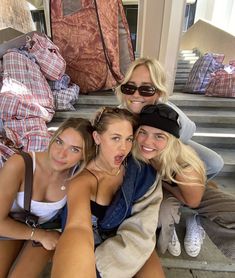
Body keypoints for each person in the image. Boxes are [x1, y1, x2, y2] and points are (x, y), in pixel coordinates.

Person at [115, 57, 224, 256]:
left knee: (214, 162)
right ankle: (174, 207)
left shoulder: (168, 111)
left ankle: (188, 197)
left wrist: (166, 145)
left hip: (171, 147)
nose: (136, 94)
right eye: (130, 87)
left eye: (146, 89)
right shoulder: (120, 117)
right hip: (145, 166)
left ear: (158, 92)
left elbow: (188, 131)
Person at [134, 103, 235, 261]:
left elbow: (193, 202)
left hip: (185, 190)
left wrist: (162, 181)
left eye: (159, 136)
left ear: (171, 140)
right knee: (163, 212)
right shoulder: (138, 151)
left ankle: (195, 221)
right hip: (166, 187)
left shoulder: (184, 168)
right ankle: (167, 230)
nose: (147, 141)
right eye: (143, 132)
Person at [0, 117, 94, 278]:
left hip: (48, 230)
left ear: (84, 156)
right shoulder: (20, 164)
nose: (61, 153)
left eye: (74, 149)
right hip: (9, 226)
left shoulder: (78, 177)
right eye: (59, 142)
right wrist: (38, 235)